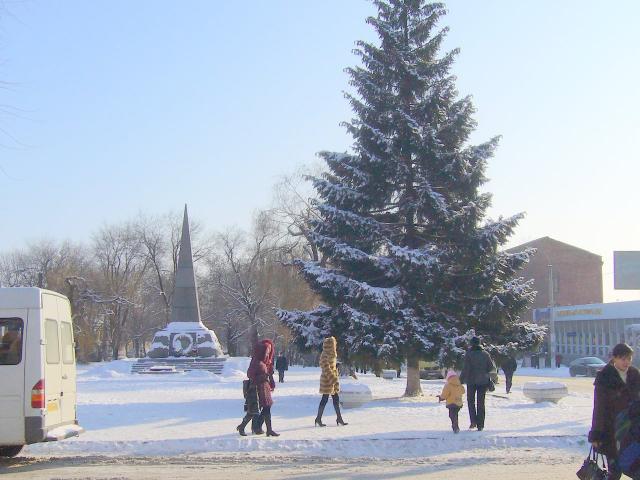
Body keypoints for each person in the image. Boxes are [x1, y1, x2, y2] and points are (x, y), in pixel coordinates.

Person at [589, 343, 640, 480]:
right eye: (623, 359)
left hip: (633, 432)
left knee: (636, 469)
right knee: (613, 472)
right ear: (614, 358)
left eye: (629, 358)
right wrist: (596, 435)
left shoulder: (635, 375)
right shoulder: (605, 377)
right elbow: (599, 408)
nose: (627, 362)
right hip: (611, 432)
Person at [459, 336, 496, 431]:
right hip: (483, 381)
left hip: (471, 381)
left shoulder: (469, 354)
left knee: (471, 402)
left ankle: (473, 421)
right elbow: (491, 367)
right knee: (481, 403)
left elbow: (466, 369)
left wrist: (461, 380)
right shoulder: (485, 354)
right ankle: (481, 425)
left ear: (471, 344)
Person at [246, 339, 279, 437]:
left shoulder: (267, 361)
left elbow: (269, 373)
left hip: (265, 387)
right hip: (258, 387)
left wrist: (271, 383)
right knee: (260, 408)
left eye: (269, 350)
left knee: (266, 407)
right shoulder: (257, 360)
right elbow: (250, 374)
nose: (268, 352)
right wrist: (261, 377)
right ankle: (257, 428)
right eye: (266, 350)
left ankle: (259, 428)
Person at [314, 336, 347, 427]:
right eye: (333, 344)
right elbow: (325, 368)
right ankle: (318, 418)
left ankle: (338, 418)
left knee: (335, 399)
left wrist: (336, 372)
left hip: (332, 380)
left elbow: (332, 367)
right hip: (327, 380)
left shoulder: (332, 354)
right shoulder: (324, 355)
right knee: (325, 399)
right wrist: (333, 378)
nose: (334, 346)